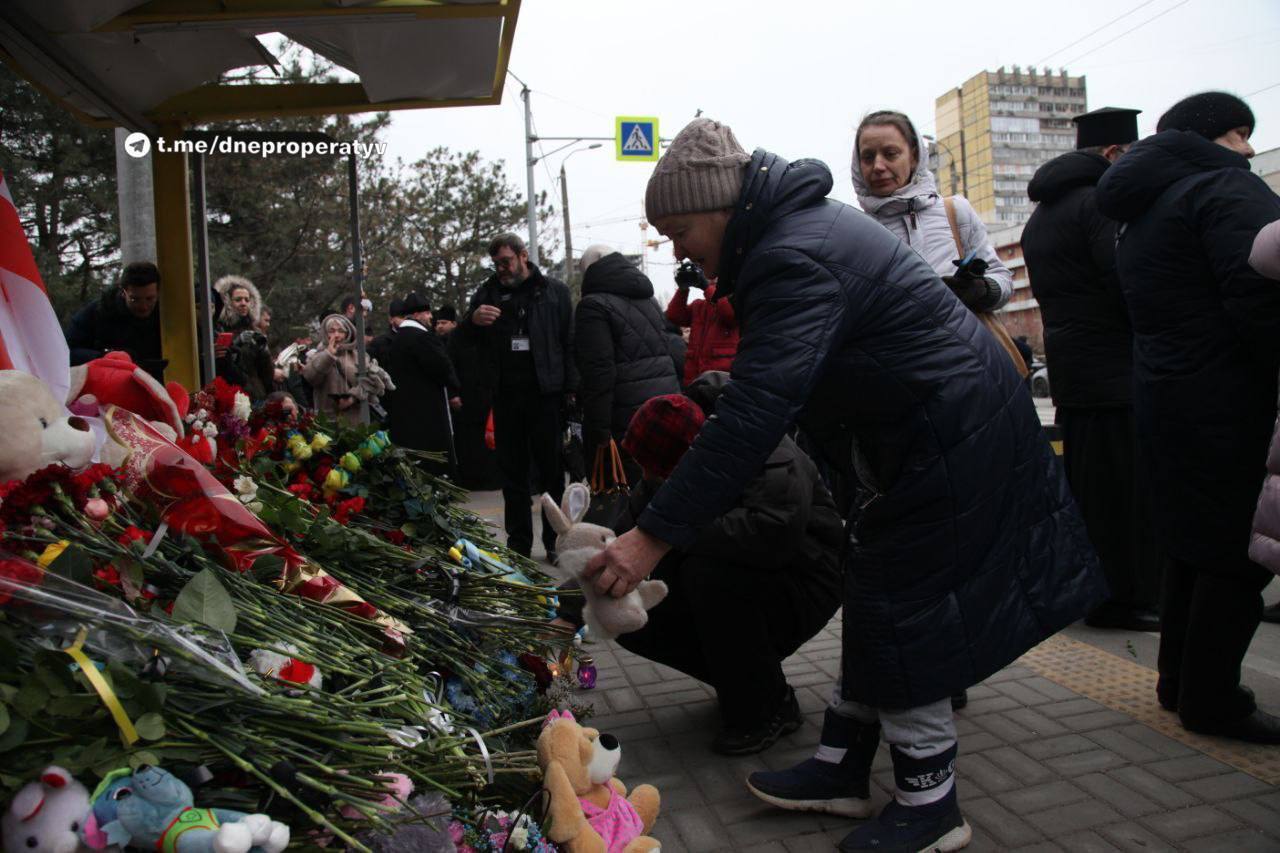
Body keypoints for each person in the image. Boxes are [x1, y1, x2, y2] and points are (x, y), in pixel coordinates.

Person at [585, 118, 1103, 852]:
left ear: (719, 208)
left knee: (904, 603)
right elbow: (786, 378)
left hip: (949, 437)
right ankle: (843, 762)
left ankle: (931, 804)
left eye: (679, 228)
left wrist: (651, 537)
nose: (677, 249)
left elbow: (762, 415)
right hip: (923, 434)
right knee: (876, 588)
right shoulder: (790, 238)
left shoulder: (792, 255)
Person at [1096, 92, 1280, 743]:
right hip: (1235, 404)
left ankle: (1178, 680)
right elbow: (1263, 303)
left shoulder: (1142, 209)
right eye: (1239, 132)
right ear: (1208, 136)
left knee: (1191, 546)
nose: (1251, 148)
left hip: (1168, 400)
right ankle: (1213, 699)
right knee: (1239, 556)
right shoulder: (1226, 193)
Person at [852, 108, 1018, 712]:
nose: (879, 166)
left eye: (890, 153)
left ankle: (954, 660)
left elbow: (1002, 278)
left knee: (961, 534)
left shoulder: (954, 213)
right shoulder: (849, 227)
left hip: (965, 395)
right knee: (908, 540)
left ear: (913, 156)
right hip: (890, 405)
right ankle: (916, 658)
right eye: (868, 155)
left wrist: (978, 289)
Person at [603, 383, 841, 754]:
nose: (648, 479)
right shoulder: (675, 451)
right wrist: (572, 607)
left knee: (708, 575)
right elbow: (625, 537)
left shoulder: (764, 446)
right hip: (751, 571)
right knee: (623, 613)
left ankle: (767, 707)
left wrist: (668, 534)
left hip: (809, 575)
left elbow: (771, 532)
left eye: (659, 473)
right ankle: (744, 682)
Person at [1021, 106, 1162, 633]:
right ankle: (1129, 599)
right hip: (1118, 379)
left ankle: (1096, 592)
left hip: (1077, 380)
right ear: (1112, 154)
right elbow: (1128, 285)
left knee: (1093, 498)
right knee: (1129, 500)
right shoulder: (1100, 206)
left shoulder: (1044, 214)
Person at [454, 233, 576, 560]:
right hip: (506, 398)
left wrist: (571, 392)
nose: (502, 269)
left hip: (545, 396)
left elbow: (569, 344)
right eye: (496, 264)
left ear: (523, 255)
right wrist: (472, 322)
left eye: (506, 262)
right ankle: (519, 545)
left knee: (552, 474)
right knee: (513, 476)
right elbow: (461, 343)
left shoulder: (555, 293)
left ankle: (555, 542)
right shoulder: (487, 294)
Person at [574, 244, 680, 485]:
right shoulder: (650, 300)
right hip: (664, 408)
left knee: (623, 500)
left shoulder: (593, 306)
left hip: (624, 419)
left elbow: (598, 372)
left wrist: (598, 432)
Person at [386, 293, 460, 475]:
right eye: (427, 313)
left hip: (405, 412)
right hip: (427, 411)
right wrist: (454, 385)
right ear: (417, 315)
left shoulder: (398, 339)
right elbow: (442, 367)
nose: (431, 318)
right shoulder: (422, 337)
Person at [65, 261, 165, 380]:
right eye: (135, 299)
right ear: (123, 292)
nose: (143, 306)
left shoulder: (171, 313)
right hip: (111, 383)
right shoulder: (99, 312)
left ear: (158, 293)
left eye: (150, 299)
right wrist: (106, 356)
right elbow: (67, 351)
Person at [302, 314, 393, 425]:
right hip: (328, 422)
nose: (336, 335)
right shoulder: (316, 355)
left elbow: (371, 383)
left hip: (356, 422)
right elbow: (311, 378)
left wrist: (353, 397)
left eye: (341, 331)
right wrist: (328, 355)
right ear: (326, 333)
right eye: (332, 331)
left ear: (347, 334)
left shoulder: (359, 356)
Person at [664, 261, 738, 386]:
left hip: (720, 383)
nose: (711, 279)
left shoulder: (736, 300)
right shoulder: (699, 306)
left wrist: (705, 287)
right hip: (695, 381)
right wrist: (682, 289)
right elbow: (674, 316)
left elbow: (729, 314)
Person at [214, 275, 274, 401]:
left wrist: (264, 351)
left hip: (256, 396)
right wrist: (236, 344)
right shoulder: (219, 329)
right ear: (227, 301)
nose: (243, 304)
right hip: (230, 396)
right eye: (238, 300)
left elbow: (267, 375)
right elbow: (221, 366)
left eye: (247, 300)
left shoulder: (255, 330)